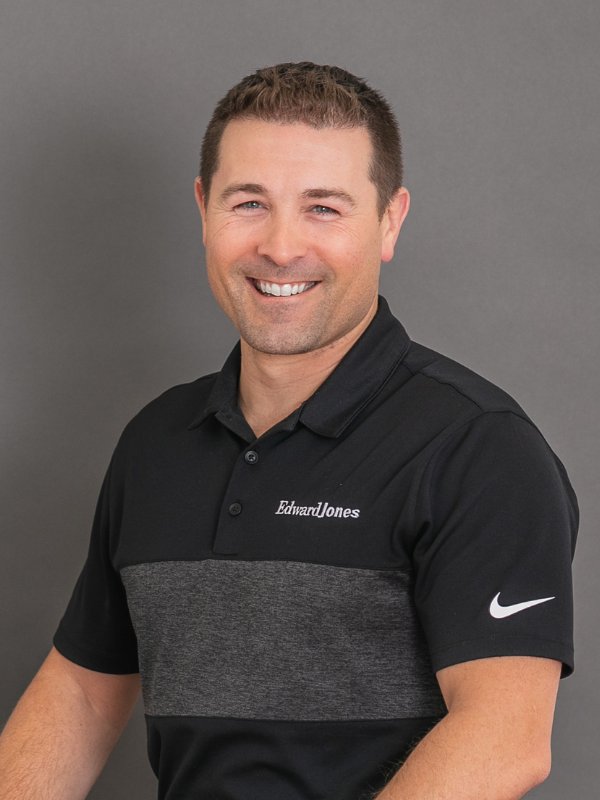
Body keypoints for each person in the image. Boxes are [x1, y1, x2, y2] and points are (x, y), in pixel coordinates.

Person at [0, 62, 577, 800]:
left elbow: (504, 739)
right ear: (204, 208)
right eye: (249, 203)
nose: (279, 246)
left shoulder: (480, 449)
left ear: (390, 221)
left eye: (323, 208)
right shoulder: (155, 442)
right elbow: (82, 693)